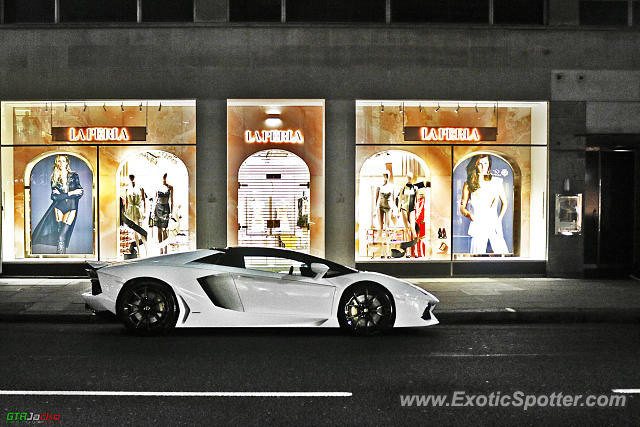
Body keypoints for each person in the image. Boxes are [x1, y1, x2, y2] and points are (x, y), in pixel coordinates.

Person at [32, 154, 84, 254]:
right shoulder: (54, 177)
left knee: (62, 235)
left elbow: (80, 192)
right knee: (59, 235)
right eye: (59, 161)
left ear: (67, 163)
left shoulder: (74, 175)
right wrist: (71, 193)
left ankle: (61, 259)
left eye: (63, 161)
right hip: (59, 207)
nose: (61, 163)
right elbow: (54, 197)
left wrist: (63, 195)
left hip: (71, 208)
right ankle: (61, 259)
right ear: (57, 163)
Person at [460, 154, 509, 254]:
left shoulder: (496, 182)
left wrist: (498, 220)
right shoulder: (469, 183)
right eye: (479, 164)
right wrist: (471, 216)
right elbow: (462, 206)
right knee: (477, 254)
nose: (483, 166)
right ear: (475, 165)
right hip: (478, 223)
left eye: (485, 163)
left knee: (501, 253)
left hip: (493, 223)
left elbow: (504, 203)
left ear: (489, 165)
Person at [397, 171, 430, 257]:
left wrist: (417, 211)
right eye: (408, 177)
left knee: (413, 229)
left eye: (410, 177)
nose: (409, 179)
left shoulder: (415, 188)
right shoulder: (403, 188)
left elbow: (416, 201)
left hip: (412, 209)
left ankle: (414, 251)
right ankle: (408, 251)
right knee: (407, 229)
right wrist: (398, 210)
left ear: (413, 178)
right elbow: (400, 200)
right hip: (404, 208)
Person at [374, 170, 397, 258]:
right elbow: (376, 199)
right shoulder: (379, 186)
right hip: (380, 206)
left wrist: (395, 209)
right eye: (384, 175)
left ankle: (387, 251)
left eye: (387, 175)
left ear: (389, 175)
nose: (385, 176)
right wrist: (374, 210)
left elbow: (394, 199)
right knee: (380, 228)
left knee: (387, 228)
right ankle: (381, 252)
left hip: (389, 206)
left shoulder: (392, 186)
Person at [124, 174, 146, 257]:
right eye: (130, 178)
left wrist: (144, 212)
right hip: (130, 210)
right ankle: (137, 249)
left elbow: (144, 200)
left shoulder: (140, 188)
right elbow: (126, 202)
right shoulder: (127, 189)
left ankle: (144, 249)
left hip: (137, 210)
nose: (131, 179)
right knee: (133, 231)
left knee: (139, 230)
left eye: (132, 178)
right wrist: (125, 212)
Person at [154, 173, 173, 254]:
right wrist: (152, 212)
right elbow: (155, 200)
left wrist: (171, 212)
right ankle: (160, 248)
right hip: (158, 208)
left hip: (166, 208)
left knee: (165, 229)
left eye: (165, 178)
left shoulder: (170, 187)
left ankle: (165, 248)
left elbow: (172, 200)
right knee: (159, 229)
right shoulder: (158, 188)